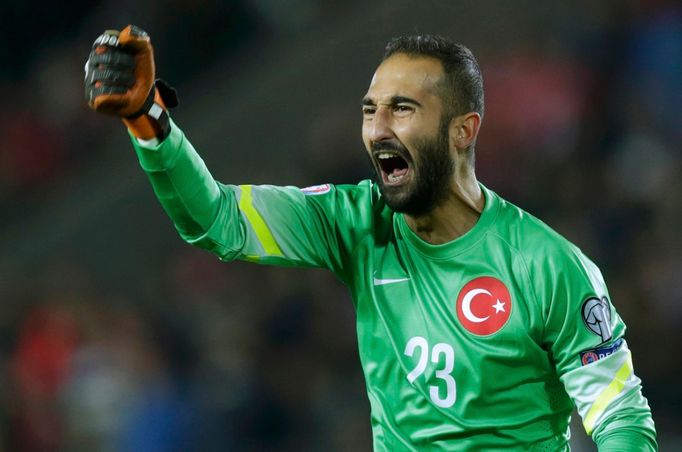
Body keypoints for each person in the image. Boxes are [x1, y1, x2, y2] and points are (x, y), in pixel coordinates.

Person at [85, 25, 657, 450]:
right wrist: (150, 122)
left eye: (402, 109)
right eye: (369, 111)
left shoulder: (547, 265)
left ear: (463, 130)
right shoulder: (355, 222)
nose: (378, 128)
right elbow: (218, 220)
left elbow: (618, 416)